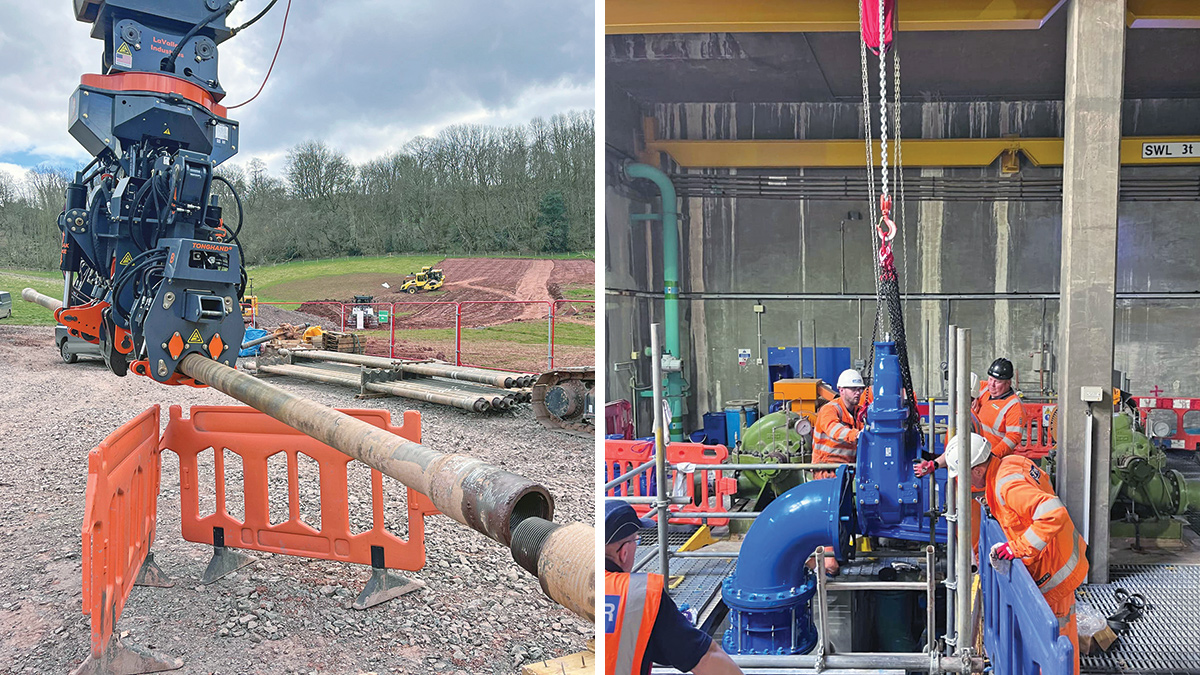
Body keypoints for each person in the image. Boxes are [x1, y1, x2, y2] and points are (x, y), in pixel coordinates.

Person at [947, 432, 1088, 675]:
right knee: (1059, 642)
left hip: (1054, 571)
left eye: (963, 475)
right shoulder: (1010, 464)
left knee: (1054, 650)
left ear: (977, 470)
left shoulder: (1007, 486)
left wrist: (1016, 548)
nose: (962, 482)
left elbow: (1053, 513)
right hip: (1057, 560)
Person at [603, 500, 744, 675]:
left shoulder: (580, 586)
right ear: (624, 552)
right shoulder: (640, 596)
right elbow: (705, 657)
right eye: (636, 541)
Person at [812, 369, 867, 480]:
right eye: (853, 389)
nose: (858, 393)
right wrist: (857, 435)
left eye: (860, 389)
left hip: (847, 469)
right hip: (827, 470)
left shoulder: (859, 412)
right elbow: (834, 429)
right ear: (841, 390)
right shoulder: (829, 409)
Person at [974, 357, 1028, 458]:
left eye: (997, 382)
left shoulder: (1014, 406)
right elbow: (968, 386)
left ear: (1008, 383)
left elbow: (1013, 437)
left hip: (992, 456)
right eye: (990, 379)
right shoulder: (984, 388)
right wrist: (973, 398)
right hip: (975, 450)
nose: (991, 384)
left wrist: (992, 456)